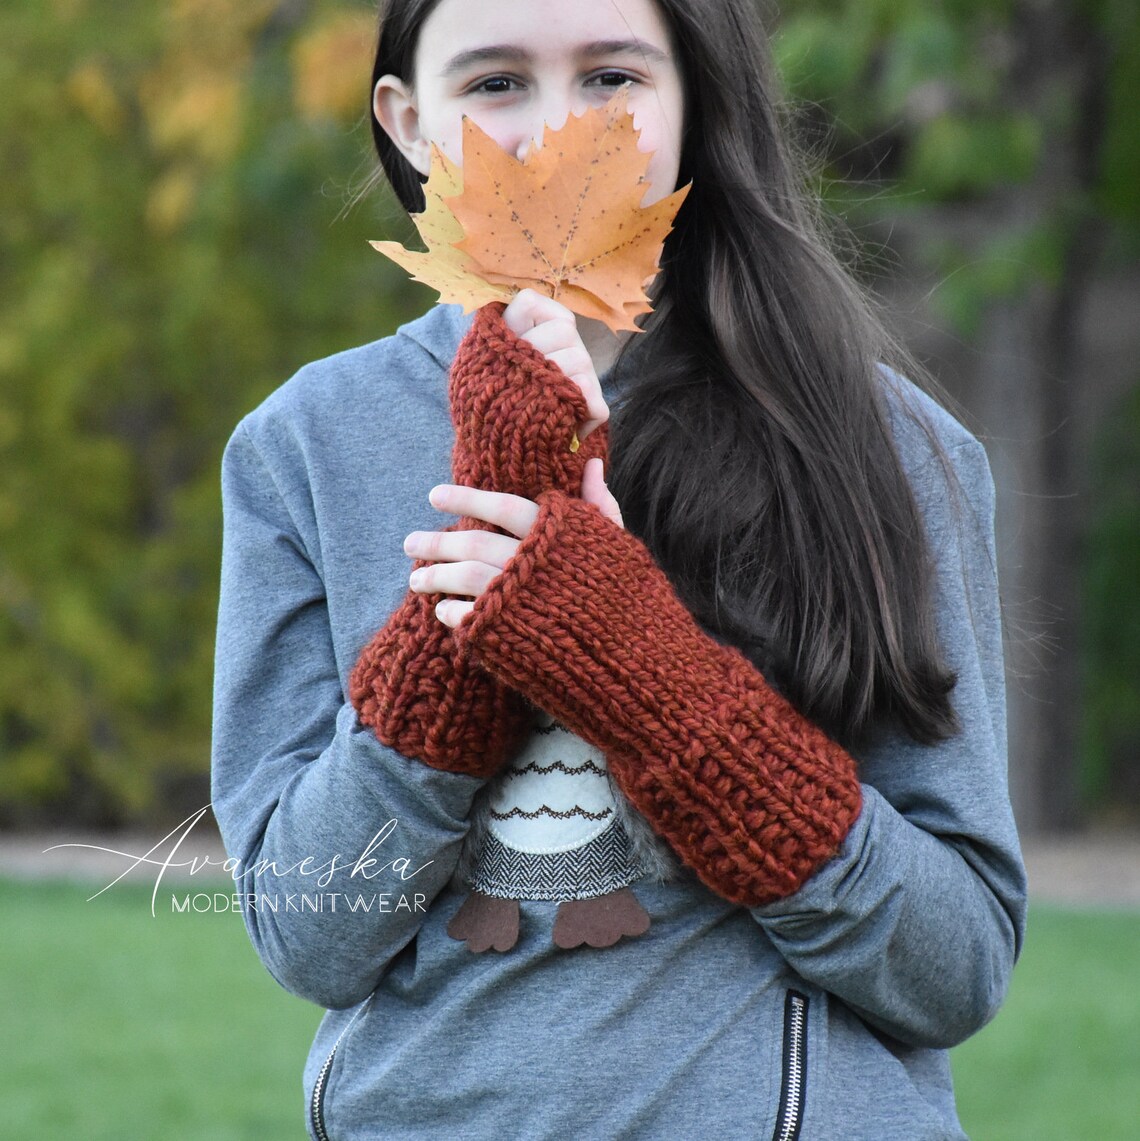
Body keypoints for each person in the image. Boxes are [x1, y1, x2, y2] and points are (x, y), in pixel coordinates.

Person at [210, 0, 1027, 1137]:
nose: (560, 133)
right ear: (405, 120)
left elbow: (956, 965)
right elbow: (309, 934)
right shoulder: (304, 445)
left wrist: (649, 676)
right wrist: (458, 644)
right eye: (496, 82)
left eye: (613, 78)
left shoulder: (887, 449)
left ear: (694, 101)